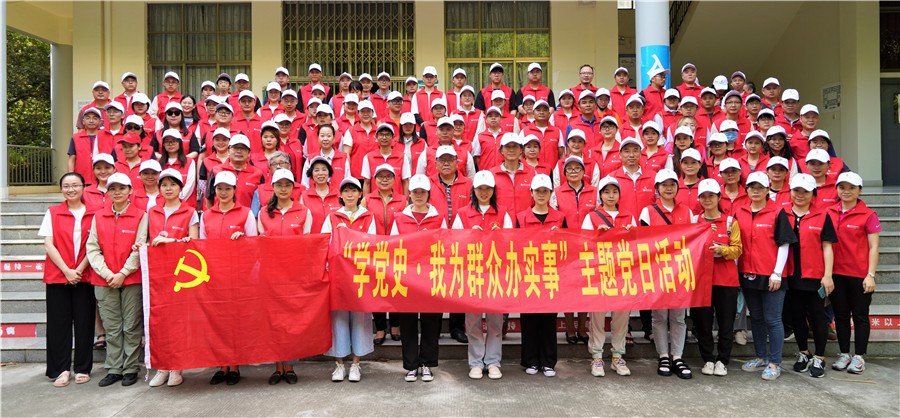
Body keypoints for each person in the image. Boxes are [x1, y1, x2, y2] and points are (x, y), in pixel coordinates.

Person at [85, 173, 149, 387]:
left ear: (130, 190)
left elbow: (140, 246)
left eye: (122, 188)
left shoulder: (141, 216)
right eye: (112, 188)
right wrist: (107, 274)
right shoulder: (99, 216)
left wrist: (123, 272)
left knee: (131, 325)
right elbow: (92, 248)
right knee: (112, 326)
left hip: (131, 278)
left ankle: (130, 368)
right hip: (104, 279)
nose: (117, 192)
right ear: (108, 192)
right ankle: (114, 368)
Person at [450, 170, 512, 379]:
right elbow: (454, 243)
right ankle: (476, 362)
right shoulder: (462, 214)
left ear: (494, 190)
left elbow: (511, 243)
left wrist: (499, 236)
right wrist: (470, 236)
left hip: (496, 273)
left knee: (495, 320)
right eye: (480, 188)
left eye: (488, 188)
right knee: (473, 320)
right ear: (473, 190)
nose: (484, 192)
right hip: (472, 273)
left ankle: (493, 361)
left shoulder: (503, 213)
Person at [735, 172, 797, 381]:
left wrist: (777, 272)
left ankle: (775, 362)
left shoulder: (777, 212)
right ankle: (761, 357)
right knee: (757, 318)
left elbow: (784, 243)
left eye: (760, 188)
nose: (755, 191)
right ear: (747, 190)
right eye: (752, 187)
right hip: (748, 273)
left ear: (767, 190)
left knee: (773, 319)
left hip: (771, 275)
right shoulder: (740, 211)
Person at [41, 172, 98, 387]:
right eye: (66, 186)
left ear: (83, 187)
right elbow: (48, 244)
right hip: (58, 275)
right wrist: (67, 270)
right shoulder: (53, 212)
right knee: (58, 324)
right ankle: (60, 369)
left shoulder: (94, 213)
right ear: (61, 189)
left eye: (75, 185)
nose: (71, 189)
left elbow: (95, 245)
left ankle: (82, 368)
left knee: (84, 323)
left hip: (85, 275)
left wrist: (79, 270)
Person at [143, 169, 200, 387]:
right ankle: (162, 367)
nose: (168, 188)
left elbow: (194, 243)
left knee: (179, 321)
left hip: (182, 276)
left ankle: (177, 367)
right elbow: (148, 239)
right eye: (164, 185)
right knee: (160, 321)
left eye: (173, 184)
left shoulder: (190, 212)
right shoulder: (152, 211)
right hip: (158, 274)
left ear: (180, 188)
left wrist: (172, 242)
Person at [201, 170, 258, 386]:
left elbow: (254, 244)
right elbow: (202, 247)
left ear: (235, 190)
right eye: (219, 188)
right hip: (214, 276)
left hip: (238, 276)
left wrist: (243, 240)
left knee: (235, 321)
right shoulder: (206, 215)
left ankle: (234, 365)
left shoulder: (245, 213)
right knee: (217, 321)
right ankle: (221, 365)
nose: (223, 192)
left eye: (227, 188)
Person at [391, 174, 447, 382]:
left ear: (428, 194)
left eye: (423, 192)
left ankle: (427, 364)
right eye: (415, 192)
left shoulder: (438, 218)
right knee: (408, 322)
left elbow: (446, 244)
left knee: (431, 321)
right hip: (407, 277)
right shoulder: (400, 218)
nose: (419, 196)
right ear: (410, 194)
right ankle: (411, 365)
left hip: (432, 276)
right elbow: (393, 245)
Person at [639, 169, 694, 379]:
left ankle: (677, 357)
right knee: (660, 316)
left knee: (679, 317)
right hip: (657, 271)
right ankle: (663, 355)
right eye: (664, 185)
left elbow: (693, 239)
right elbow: (643, 241)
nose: (668, 188)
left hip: (681, 270)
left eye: (672, 184)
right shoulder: (648, 212)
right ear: (657, 188)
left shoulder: (687, 211)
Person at [782, 173, 836, 379]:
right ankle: (804, 352)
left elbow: (827, 247)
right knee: (796, 316)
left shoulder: (822, 215)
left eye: (805, 191)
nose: (800, 195)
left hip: (815, 275)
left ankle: (819, 356)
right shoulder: (783, 214)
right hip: (791, 274)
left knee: (817, 316)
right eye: (796, 190)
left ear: (813, 193)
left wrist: (828, 275)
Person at [321, 177, 376, 382]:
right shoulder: (332, 217)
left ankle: (356, 364)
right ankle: (339, 364)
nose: (350, 194)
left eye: (354, 190)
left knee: (360, 319)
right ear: (341, 195)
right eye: (346, 191)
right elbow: (323, 243)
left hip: (360, 275)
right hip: (337, 275)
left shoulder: (368, 216)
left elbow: (373, 244)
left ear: (360, 194)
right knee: (338, 318)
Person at [582, 176, 635, 377]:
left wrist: (632, 233)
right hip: (599, 272)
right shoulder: (592, 217)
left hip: (623, 272)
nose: (611, 196)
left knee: (621, 316)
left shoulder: (628, 217)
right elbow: (583, 244)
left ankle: (617, 356)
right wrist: (597, 235)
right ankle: (596, 356)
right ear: (600, 195)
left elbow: (639, 244)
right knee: (597, 316)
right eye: (606, 192)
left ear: (620, 194)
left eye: (614, 192)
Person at [828, 172, 880, 374]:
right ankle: (844, 353)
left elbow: (874, 247)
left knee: (860, 316)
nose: (846, 191)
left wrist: (871, 274)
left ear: (860, 190)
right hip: (836, 273)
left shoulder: (868, 215)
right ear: (837, 189)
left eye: (852, 188)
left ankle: (859, 356)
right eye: (842, 187)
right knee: (840, 315)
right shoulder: (829, 212)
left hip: (859, 274)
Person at [691, 179, 742, 377]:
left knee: (725, 323)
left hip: (726, 280)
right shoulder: (694, 222)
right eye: (703, 196)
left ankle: (722, 360)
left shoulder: (730, 222)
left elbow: (737, 249)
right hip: (701, 281)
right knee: (702, 323)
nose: (707, 200)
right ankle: (707, 359)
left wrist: (722, 250)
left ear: (719, 197)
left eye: (711, 196)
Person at [516, 174, 565, 377]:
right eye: (538, 191)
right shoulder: (521, 217)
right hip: (529, 273)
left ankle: (548, 361)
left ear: (551, 193)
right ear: (531, 193)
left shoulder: (560, 218)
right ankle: (530, 360)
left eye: (545, 191)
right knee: (529, 319)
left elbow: (567, 246)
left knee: (548, 319)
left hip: (551, 274)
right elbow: (515, 245)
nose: (541, 195)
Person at [550, 155, 597, 344]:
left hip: (588, 246)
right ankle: (570, 328)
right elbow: (553, 216)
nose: (574, 172)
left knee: (586, 286)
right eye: (569, 169)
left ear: (584, 171)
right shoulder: (556, 192)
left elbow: (599, 215)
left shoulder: (594, 191)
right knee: (568, 288)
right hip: (565, 247)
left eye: (577, 168)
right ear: (564, 173)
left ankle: (582, 327)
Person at [364, 164, 407, 344]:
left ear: (394, 179)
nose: (384, 180)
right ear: (374, 179)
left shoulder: (403, 200)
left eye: (388, 176)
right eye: (380, 176)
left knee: (396, 287)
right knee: (377, 289)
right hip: (374, 250)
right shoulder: (367, 199)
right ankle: (380, 328)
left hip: (397, 250)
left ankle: (396, 325)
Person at [69, 108, 103, 184]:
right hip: (80, 179)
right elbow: (71, 159)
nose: (91, 121)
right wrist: (71, 177)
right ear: (83, 121)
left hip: (101, 179)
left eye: (95, 118)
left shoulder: (105, 136)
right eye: (88, 118)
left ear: (100, 121)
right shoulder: (76, 137)